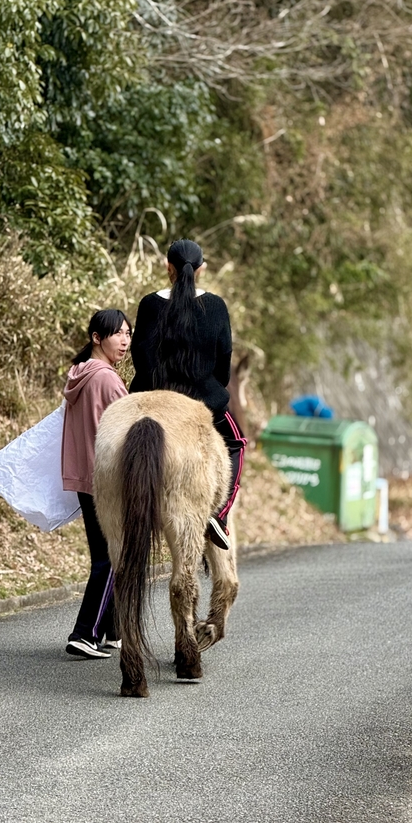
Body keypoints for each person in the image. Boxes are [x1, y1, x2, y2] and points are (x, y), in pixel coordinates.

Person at [129, 239, 246, 550]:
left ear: (167, 267)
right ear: (201, 269)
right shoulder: (216, 307)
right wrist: (207, 387)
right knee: (237, 442)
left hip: (154, 400)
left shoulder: (149, 304)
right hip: (201, 402)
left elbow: (140, 360)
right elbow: (223, 365)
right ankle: (219, 515)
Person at [61, 309, 131, 659]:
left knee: (107, 555)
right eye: (117, 333)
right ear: (96, 338)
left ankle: (109, 631)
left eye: (128, 334)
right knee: (110, 558)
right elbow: (129, 431)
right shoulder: (106, 380)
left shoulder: (80, 375)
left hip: (83, 477)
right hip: (105, 479)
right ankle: (85, 633)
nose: (124, 341)